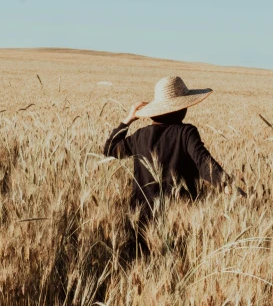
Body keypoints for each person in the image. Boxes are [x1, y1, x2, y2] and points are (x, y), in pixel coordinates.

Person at [103, 76, 244, 258]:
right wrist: (227, 185)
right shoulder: (186, 133)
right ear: (181, 109)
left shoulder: (140, 136)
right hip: (178, 216)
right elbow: (203, 162)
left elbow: (110, 150)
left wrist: (129, 119)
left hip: (140, 215)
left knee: (140, 263)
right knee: (175, 262)